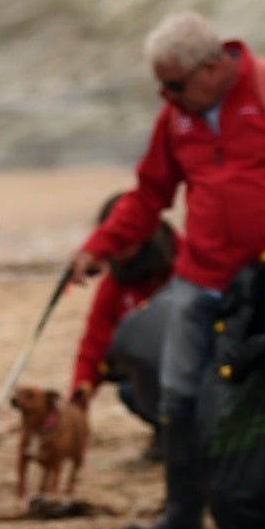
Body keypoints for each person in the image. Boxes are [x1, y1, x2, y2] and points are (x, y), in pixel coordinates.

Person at [70, 12, 265, 529]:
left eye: (174, 84)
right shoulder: (174, 118)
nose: (166, 96)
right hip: (199, 273)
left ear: (213, 66)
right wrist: (96, 249)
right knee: (179, 388)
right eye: (160, 86)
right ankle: (181, 513)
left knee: (263, 390)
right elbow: (150, 196)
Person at [69, 192, 179, 457]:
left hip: (190, 361)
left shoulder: (182, 260)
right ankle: (163, 429)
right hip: (152, 374)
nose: (116, 248)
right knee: (130, 387)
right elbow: (94, 342)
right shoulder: (115, 283)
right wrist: (77, 402)